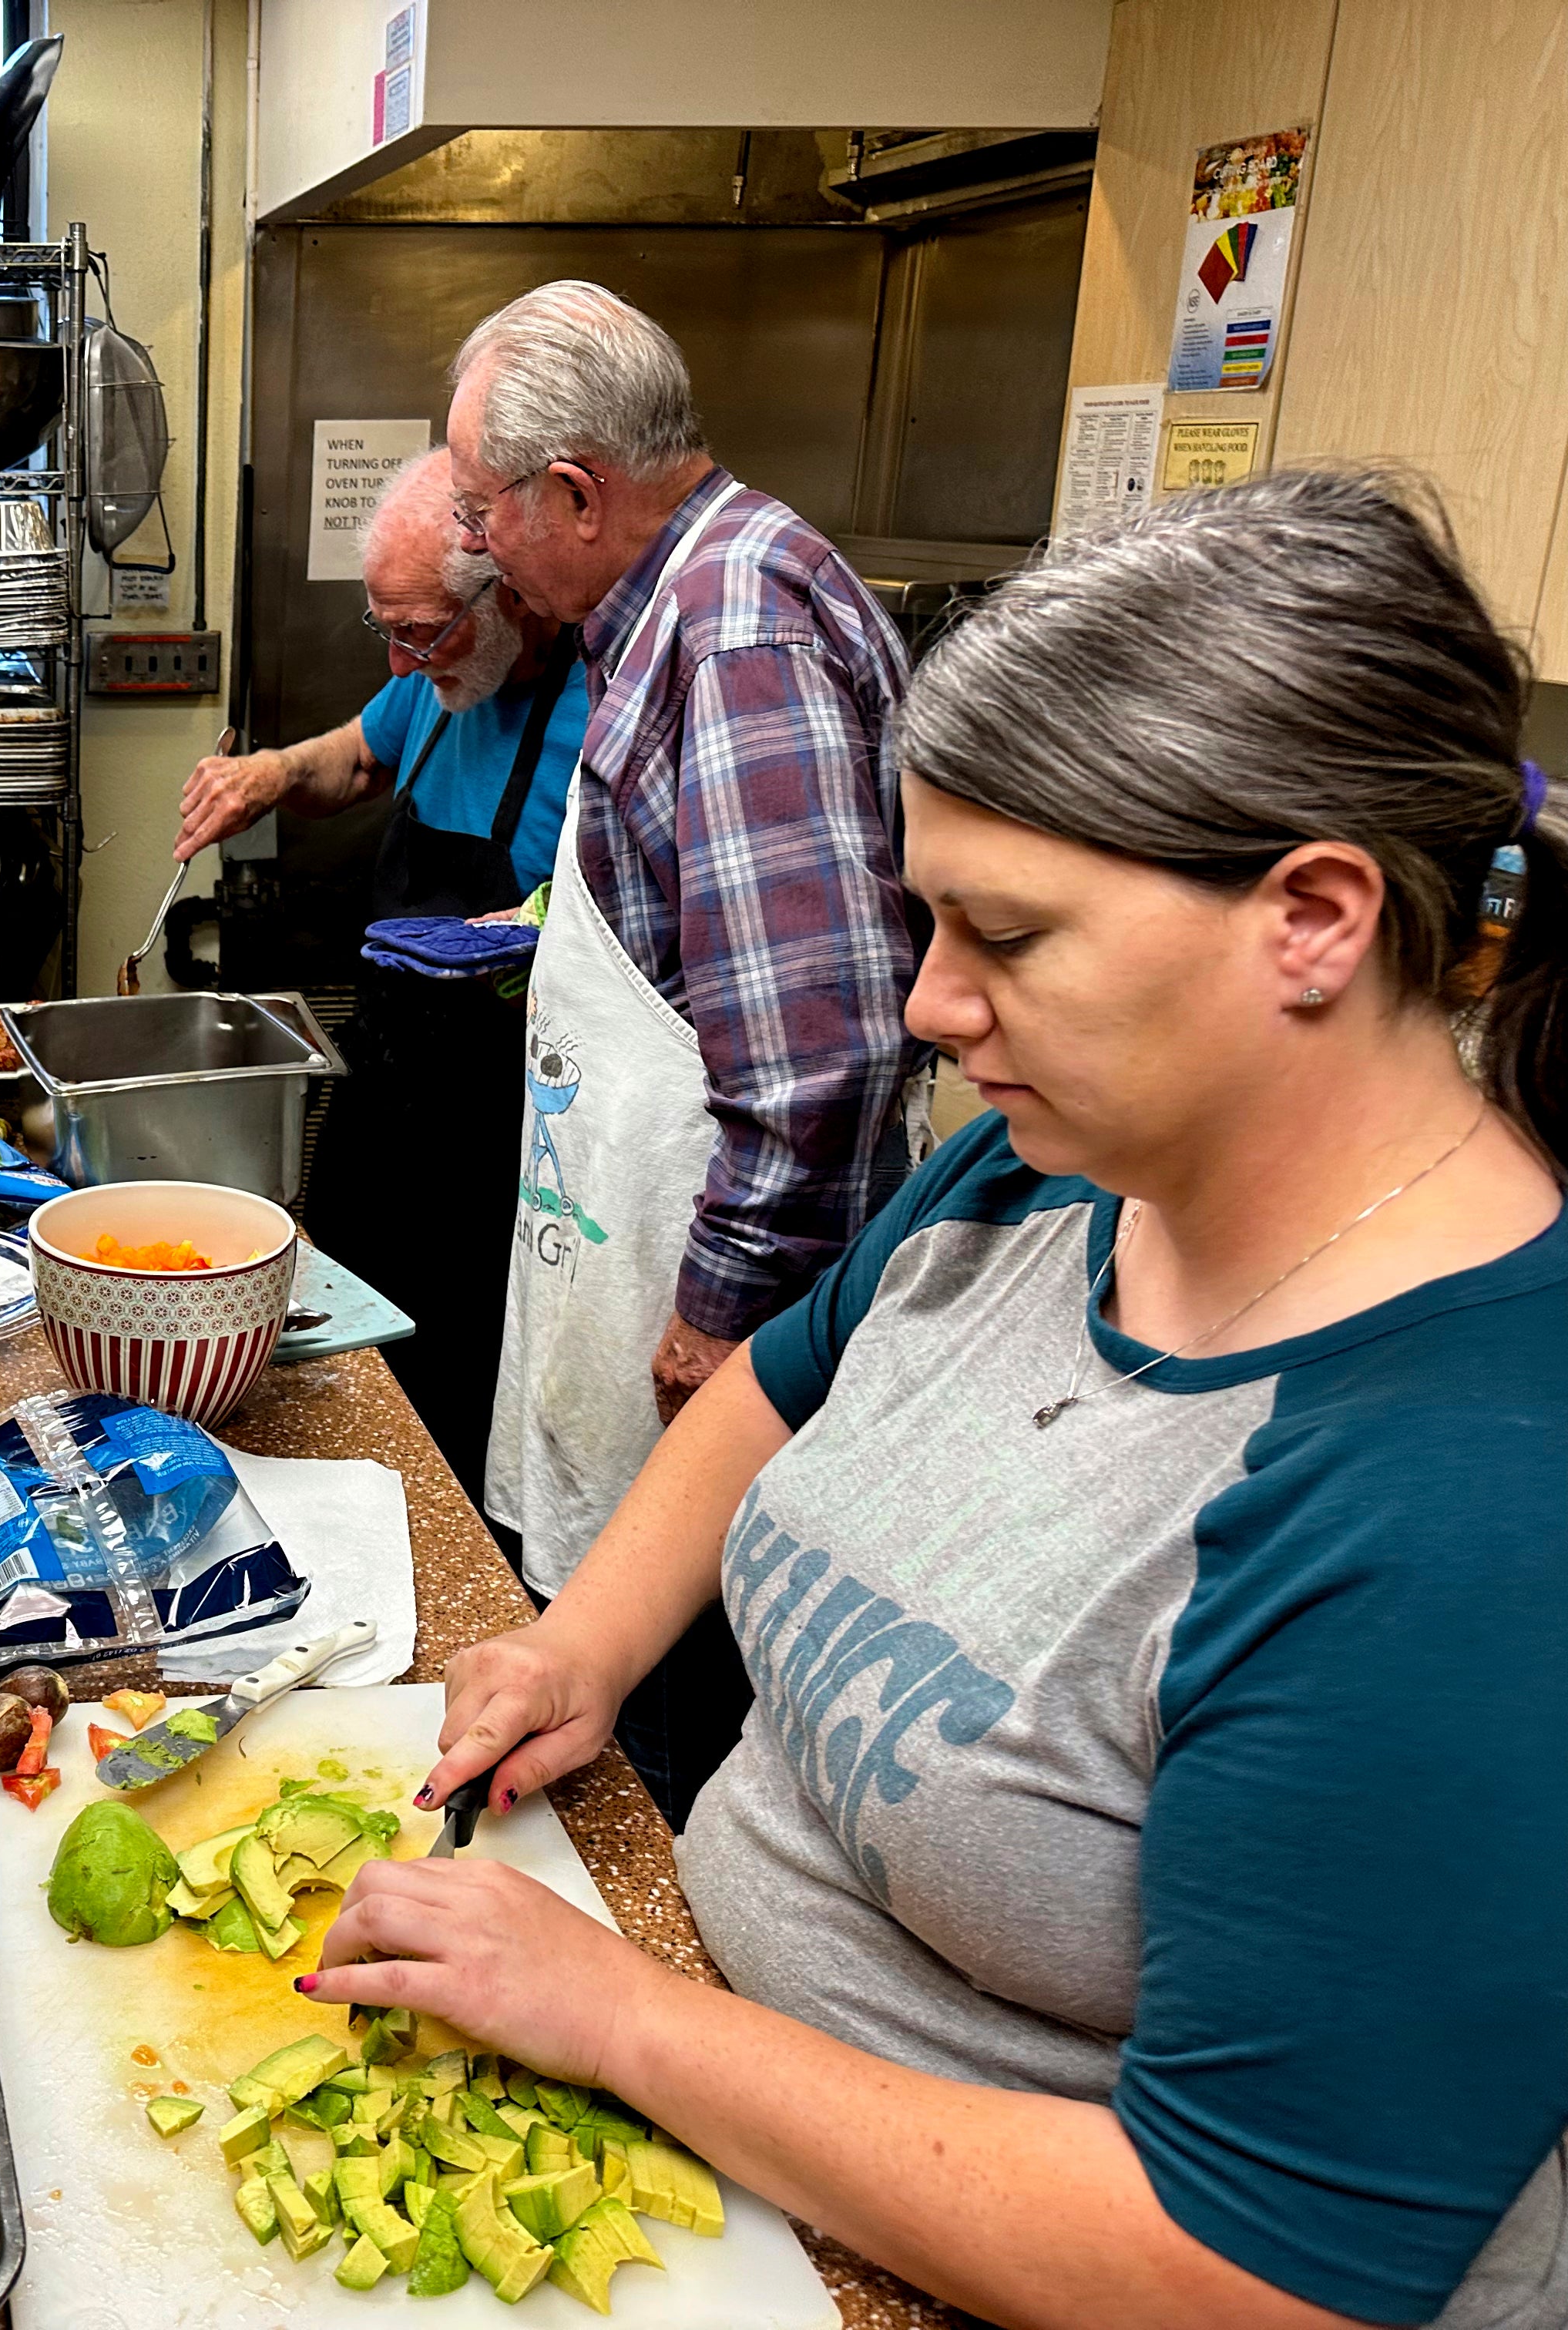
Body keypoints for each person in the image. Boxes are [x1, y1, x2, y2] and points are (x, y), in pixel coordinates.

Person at [309, 470, 1568, 2328]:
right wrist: (584, 1643)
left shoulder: (1468, 1509)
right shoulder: (1052, 1176)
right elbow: (773, 1390)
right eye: (928, 923)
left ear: (1311, 916)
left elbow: (1248, 2271)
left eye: (1011, 938)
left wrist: (619, 2017)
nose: (925, 1008)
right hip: (736, 2171)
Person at [448, 280, 922, 1825]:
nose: (475, 547)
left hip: (722, 1331)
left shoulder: (737, 627)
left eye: (483, 509)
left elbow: (820, 1048)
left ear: (574, 495)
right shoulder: (670, 609)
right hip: (645, 1274)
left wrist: (719, 1319)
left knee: (669, 1762)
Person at [173, 448, 584, 1505]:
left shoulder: (605, 709)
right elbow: (353, 759)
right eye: (386, 630)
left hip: (509, 1135)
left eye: (422, 632)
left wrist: (539, 930)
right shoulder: (445, 682)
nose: (402, 663)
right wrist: (267, 775)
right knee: (342, 1363)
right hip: (389, 1093)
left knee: (454, 1389)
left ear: (516, 598)